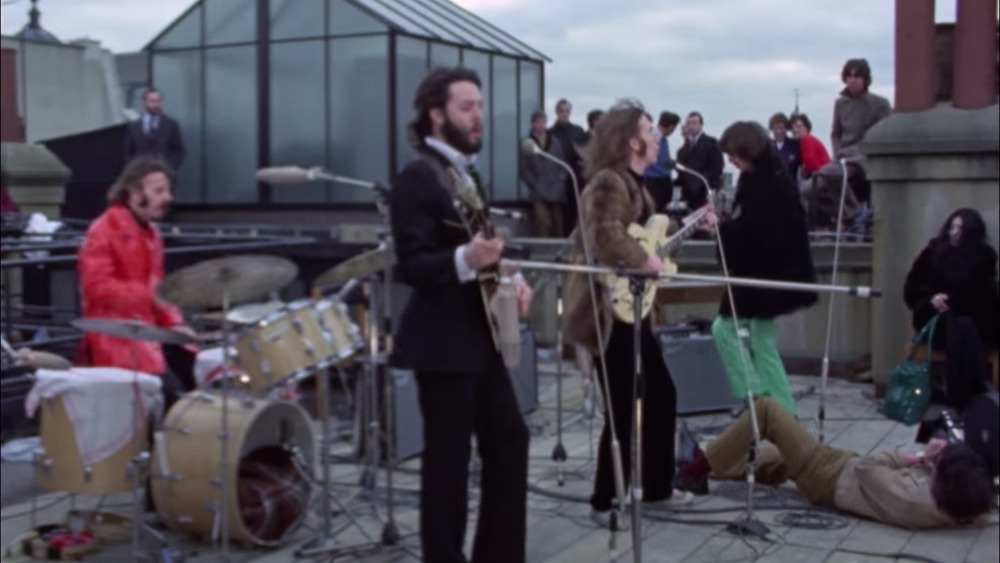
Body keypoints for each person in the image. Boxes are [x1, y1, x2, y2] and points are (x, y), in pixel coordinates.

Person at [389, 66, 533, 563]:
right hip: (443, 344)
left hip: (479, 335)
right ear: (436, 114)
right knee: (448, 468)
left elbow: (486, 248)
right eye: (466, 107)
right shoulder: (416, 178)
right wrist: (463, 260)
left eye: (479, 106)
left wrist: (512, 278)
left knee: (510, 441)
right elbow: (411, 265)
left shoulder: (466, 176)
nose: (478, 118)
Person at [562, 100, 698, 529]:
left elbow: (645, 238)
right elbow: (605, 237)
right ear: (632, 141)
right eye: (649, 131)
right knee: (622, 406)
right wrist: (644, 260)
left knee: (660, 394)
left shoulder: (637, 184)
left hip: (633, 310)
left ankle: (657, 487)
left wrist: (690, 226)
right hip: (606, 309)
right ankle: (604, 500)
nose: (657, 137)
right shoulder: (607, 183)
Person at [675, 397, 992, 529]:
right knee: (773, 461)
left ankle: (694, 470)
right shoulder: (960, 504)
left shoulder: (912, 498)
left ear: (943, 484)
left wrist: (922, 456)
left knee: (767, 411)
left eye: (936, 470)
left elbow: (870, 467)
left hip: (828, 477)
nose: (931, 470)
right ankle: (710, 461)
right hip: (838, 472)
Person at [708, 121, 818, 415]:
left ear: (747, 151)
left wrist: (720, 229)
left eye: (734, 154)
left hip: (766, 274)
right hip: (767, 272)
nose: (731, 160)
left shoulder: (768, 183)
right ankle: (776, 405)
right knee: (760, 340)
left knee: (726, 330)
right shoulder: (764, 176)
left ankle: (760, 397)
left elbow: (757, 231)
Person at [76, 156, 197, 411]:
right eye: (159, 191)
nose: (168, 198)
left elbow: (159, 287)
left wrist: (176, 323)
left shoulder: (152, 233)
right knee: (172, 397)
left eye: (168, 190)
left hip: (148, 331)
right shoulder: (102, 230)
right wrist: (149, 297)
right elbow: (97, 287)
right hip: (116, 336)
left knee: (197, 375)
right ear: (133, 192)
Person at [903, 209, 999, 411]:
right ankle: (970, 396)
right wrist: (932, 300)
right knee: (960, 326)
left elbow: (984, 296)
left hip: (972, 322)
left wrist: (955, 303)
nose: (954, 232)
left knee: (963, 325)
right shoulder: (933, 251)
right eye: (952, 227)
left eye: (961, 228)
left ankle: (963, 396)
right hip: (934, 321)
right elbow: (912, 288)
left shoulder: (984, 257)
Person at [519, 110, 568, 237]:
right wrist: (533, 184)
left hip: (556, 189)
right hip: (538, 191)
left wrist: (561, 178)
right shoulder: (527, 144)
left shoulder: (555, 141)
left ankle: (558, 250)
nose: (541, 125)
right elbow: (523, 169)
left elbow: (562, 162)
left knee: (558, 222)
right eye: (538, 122)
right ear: (532, 124)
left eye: (543, 122)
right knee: (541, 221)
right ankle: (542, 250)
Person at [124, 88, 186, 173]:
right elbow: (128, 152)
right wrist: (134, 169)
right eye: (152, 101)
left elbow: (179, 150)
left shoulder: (170, 124)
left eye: (158, 101)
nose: (156, 104)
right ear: (144, 103)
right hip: (140, 174)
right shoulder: (134, 127)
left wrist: (169, 168)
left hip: (164, 174)